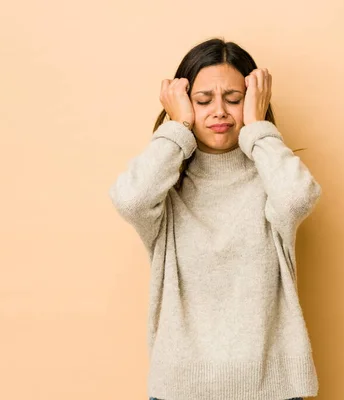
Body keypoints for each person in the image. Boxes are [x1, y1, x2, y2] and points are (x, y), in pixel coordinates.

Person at [109, 38, 321, 400]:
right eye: (203, 100)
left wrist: (256, 127)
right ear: (183, 106)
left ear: (254, 101)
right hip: (181, 390)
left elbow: (299, 197)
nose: (219, 111)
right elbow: (131, 198)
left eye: (234, 99)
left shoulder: (271, 178)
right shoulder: (166, 187)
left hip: (272, 390)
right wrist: (178, 128)